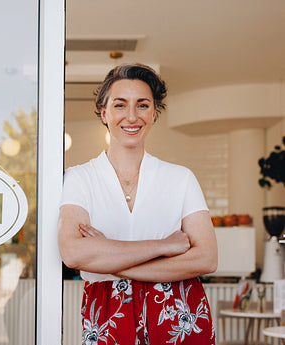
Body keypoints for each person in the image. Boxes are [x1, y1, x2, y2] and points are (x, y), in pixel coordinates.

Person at [58, 63, 218, 345]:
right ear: (104, 113)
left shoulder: (181, 178)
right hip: (108, 310)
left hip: (178, 311)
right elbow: (73, 252)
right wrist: (164, 247)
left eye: (142, 105)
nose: (132, 116)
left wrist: (108, 261)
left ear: (154, 113)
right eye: (120, 105)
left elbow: (206, 258)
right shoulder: (79, 178)